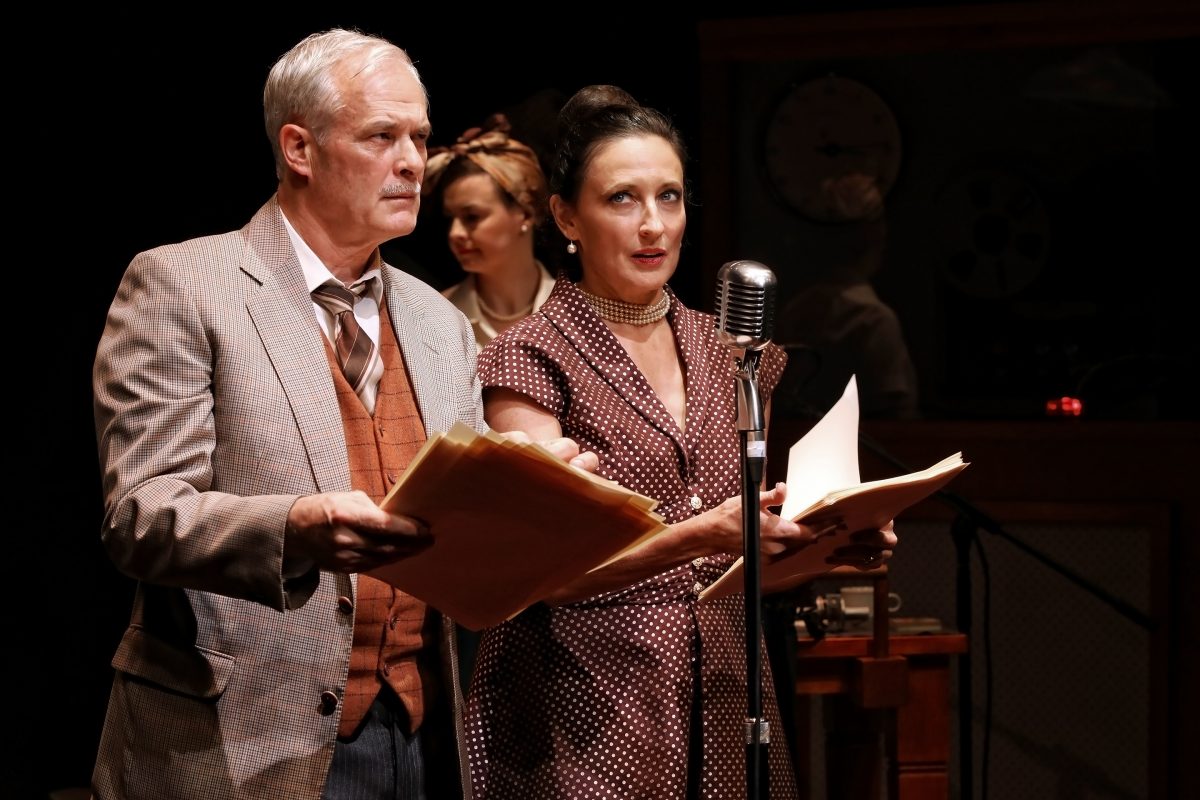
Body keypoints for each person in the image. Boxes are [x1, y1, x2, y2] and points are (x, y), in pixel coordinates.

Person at [90, 28, 595, 800]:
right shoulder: (184, 285)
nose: (410, 162)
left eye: (418, 137)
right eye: (381, 136)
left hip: (420, 735)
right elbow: (143, 513)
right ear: (300, 147)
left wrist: (529, 486)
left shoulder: (436, 320)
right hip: (246, 739)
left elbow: (453, 515)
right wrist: (294, 526)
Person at [463, 85, 898, 799]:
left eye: (669, 198)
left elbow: (727, 566)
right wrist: (702, 534)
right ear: (566, 216)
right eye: (623, 199)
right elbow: (536, 574)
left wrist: (823, 547)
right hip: (584, 706)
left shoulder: (728, 347)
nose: (652, 225)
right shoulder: (531, 356)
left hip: (725, 688)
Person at [775, 172, 920, 420]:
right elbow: (898, 422)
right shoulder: (874, 321)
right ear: (869, 235)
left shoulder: (794, 312)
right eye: (879, 222)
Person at [423, 113, 556, 350]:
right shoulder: (436, 318)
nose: (455, 233)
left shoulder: (580, 311)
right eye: (451, 218)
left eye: (472, 217)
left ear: (525, 213)